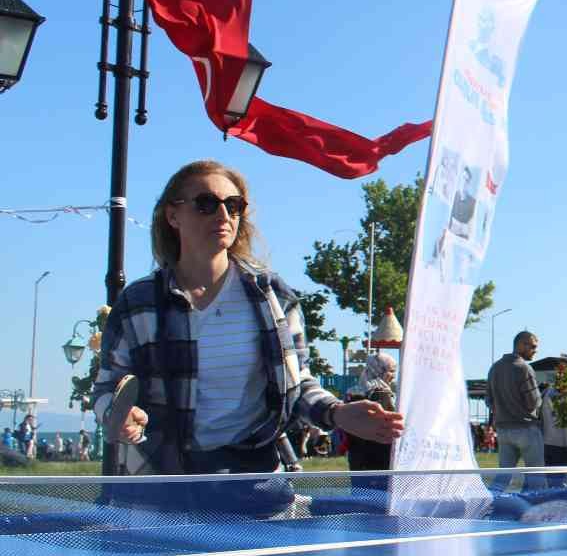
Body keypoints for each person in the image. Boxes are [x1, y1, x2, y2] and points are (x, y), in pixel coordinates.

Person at [92, 159, 403, 513]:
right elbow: (107, 389)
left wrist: (337, 413)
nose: (223, 214)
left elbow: (297, 383)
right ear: (173, 216)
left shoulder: (273, 294)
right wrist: (121, 415)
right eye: (206, 203)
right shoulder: (138, 302)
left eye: (234, 205)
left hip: (254, 485)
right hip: (162, 488)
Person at [487, 331, 543, 470]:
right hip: (526, 429)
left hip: (503, 430)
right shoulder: (524, 368)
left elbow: (488, 400)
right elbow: (533, 403)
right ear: (521, 345)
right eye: (533, 346)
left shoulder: (495, 368)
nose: (535, 351)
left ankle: (491, 493)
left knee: (502, 479)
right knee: (536, 477)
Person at [344, 352, 398, 476]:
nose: (393, 376)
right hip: (379, 457)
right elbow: (390, 422)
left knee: (360, 492)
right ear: (379, 370)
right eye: (391, 371)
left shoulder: (353, 392)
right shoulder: (381, 393)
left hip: (357, 457)